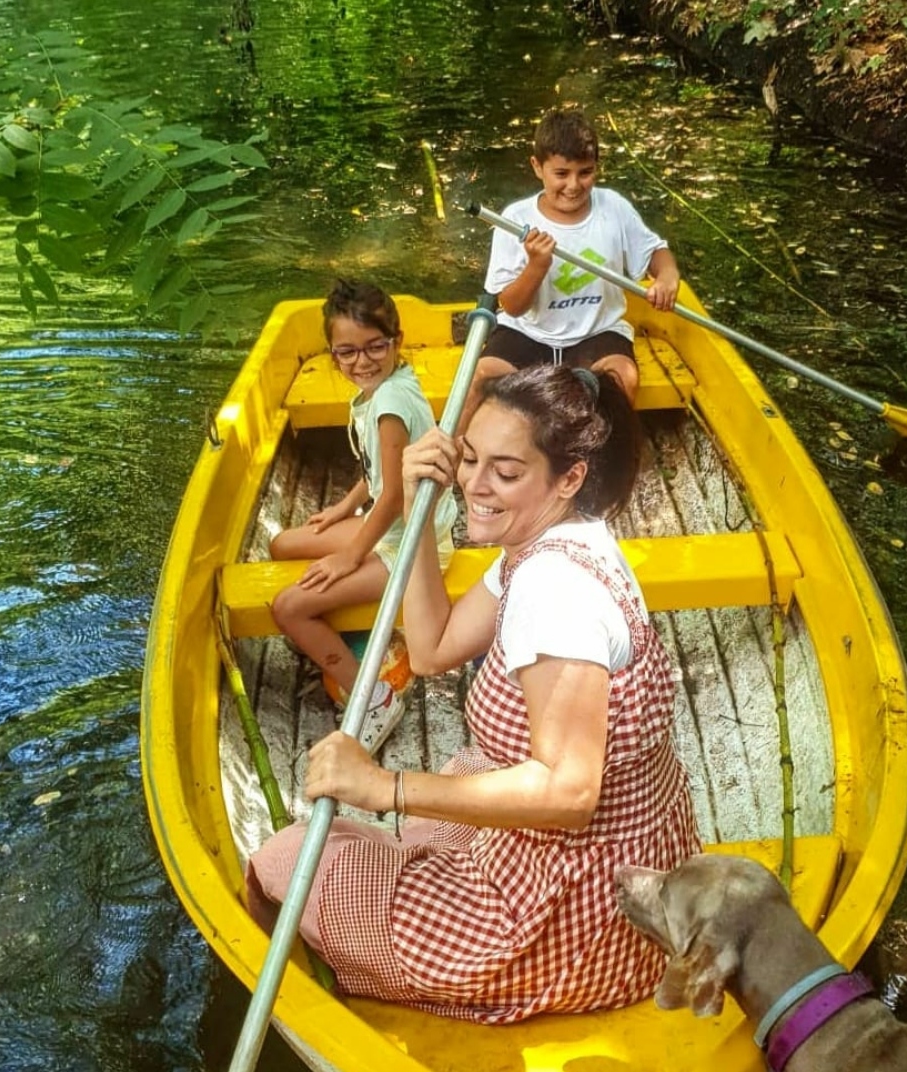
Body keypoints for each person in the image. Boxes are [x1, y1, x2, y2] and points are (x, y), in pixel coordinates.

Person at [247, 363, 701, 1024]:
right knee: (448, 792)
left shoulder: (555, 592)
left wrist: (385, 786)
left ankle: (368, 993)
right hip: (614, 872)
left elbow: (569, 796)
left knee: (280, 863)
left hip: (572, 921)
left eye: (506, 472)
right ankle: (388, 934)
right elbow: (431, 647)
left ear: (569, 477)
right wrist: (414, 498)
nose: (475, 486)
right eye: (470, 458)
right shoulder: (556, 537)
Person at [269, 279, 458, 754]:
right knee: (282, 546)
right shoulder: (382, 387)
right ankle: (352, 625)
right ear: (333, 354)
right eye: (347, 353)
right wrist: (345, 506)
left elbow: (394, 496)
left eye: (375, 347)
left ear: (396, 341)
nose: (361, 362)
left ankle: (374, 695)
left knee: (288, 607)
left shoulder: (389, 405)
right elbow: (379, 472)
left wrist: (348, 558)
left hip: (414, 543)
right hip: (388, 523)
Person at [462, 107, 681, 430]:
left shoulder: (614, 208)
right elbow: (511, 306)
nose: (574, 185)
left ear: (597, 168)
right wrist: (537, 265)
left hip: (597, 331)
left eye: (585, 172)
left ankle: (601, 462)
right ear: (538, 167)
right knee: (480, 378)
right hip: (529, 331)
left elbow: (656, 252)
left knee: (623, 377)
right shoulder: (516, 218)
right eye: (561, 174)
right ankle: (456, 463)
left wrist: (667, 276)